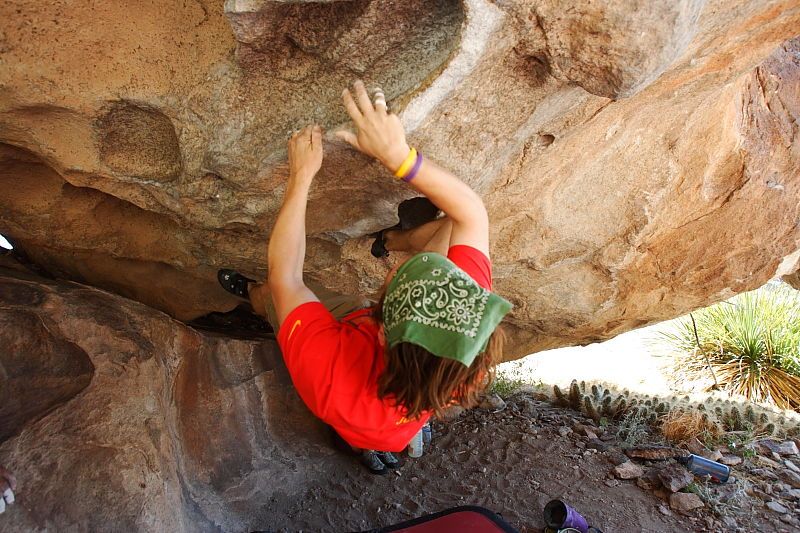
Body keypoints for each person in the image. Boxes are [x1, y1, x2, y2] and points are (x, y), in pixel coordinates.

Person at [219, 80, 512, 474]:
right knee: (450, 226)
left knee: (273, 295)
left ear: (382, 331)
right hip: (399, 409)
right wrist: (399, 156)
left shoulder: (331, 377)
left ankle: (251, 295)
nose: (395, 271)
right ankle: (393, 239)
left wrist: (301, 176)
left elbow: (285, 276)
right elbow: (471, 213)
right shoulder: (465, 333)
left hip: (352, 397)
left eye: (397, 277)